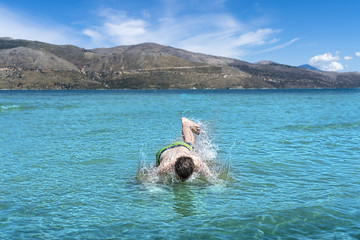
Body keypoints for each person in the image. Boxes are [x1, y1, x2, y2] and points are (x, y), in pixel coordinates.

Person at [156, 117, 212, 182]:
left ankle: (186, 124)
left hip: (183, 147)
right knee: (190, 143)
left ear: (193, 168)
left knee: (190, 143)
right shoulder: (166, 165)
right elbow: (153, 176)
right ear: (173, 166)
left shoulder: (197, 162)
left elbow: (210, 176)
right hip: (164, 151)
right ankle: (186, 124)